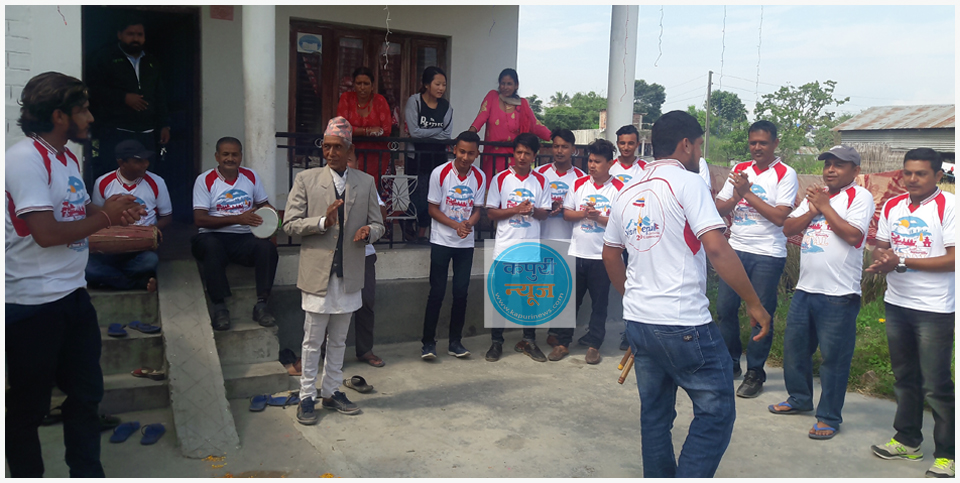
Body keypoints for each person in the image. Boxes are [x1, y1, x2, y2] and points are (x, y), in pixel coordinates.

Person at [601, 110, 770, 478]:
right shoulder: (688, 183)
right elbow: (717, 248)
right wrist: (754, 302)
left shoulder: (627, 189)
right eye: (698, 145)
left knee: (655, 415)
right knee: (716, 410)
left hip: (640, 322)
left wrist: (633, 298)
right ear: (686, 144)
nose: (699, 153)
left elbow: (610, 254)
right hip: (683, 323)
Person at [6, 72, 144, 477]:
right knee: (29, 406)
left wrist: (113, 209)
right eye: (82, 109)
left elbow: (78, 210)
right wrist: (105, 217)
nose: (90, 117)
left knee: (86, 396)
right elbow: (47, 233)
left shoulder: (66, 157)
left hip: (73, 296)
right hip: (31, 305)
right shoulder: (24, 159)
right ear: (59, 115)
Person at [282, 117, 385, 425]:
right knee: (312, 340)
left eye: (337, 147)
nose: (330, 152)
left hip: (349, 273)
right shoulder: (306, 180)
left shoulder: (365, 182)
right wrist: (321, 222)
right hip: (318, 273)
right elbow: (289, 224)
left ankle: (331, 391)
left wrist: (369, 232)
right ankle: (306, 395)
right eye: (326, 146)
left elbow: (378, 223)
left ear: (349, 149)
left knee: (339, 339)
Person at [774, 145, 875, 440]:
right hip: (805, 288)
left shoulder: (860, 196)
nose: (830, 170)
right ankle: (799, 398)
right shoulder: (817, 196)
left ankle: (829, 416)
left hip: (838, 294)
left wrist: (825, 207)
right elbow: (788, 227)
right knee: (795, 350)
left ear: (855, 171)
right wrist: (813, 209)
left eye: (838, 165)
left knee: (834, 359)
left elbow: (854, 236)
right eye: (827, 164)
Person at [866, 148, 955, 478]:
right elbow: (881, 246)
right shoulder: (893, 206)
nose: (912, 179)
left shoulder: (949, 206)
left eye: (921, 173)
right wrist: (881, 259)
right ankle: (907, 440)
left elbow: (954, 259)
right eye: (908, 173)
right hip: (897, 302)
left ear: (938, 176)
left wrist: (901, 261)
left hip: (935, 307)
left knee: (936, 384)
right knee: (905, 378)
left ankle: (948, 455)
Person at [713, 120, 799, 397]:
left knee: (760, 313)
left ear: (775, 143)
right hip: (736, 249)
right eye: (753, 143)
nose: (757, 147)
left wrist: (746, 193)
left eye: (763, 142)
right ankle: (730, 361)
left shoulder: (785, 174)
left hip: (767, 253)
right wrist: (736, 197)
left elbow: (779, 217)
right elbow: (719, 208)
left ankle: (755, 372)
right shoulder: (740, 169)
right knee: (725, 309)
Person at [546, 139, 624, 363]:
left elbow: (621, 222)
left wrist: (598, 218)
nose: (592, 166)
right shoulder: (579, 184)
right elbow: (567, 214)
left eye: (597, 162)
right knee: (570, 301)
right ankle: (562, 343)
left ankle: (594, 346)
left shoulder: (619, 189)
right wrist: (585, 214)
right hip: (577, 253)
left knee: (600, 304)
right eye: (590, 161)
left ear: (610, 164)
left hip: (603, 256)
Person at [191, 137, 279, 331]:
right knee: (211, 247)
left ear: (241, 156)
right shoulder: (204, 180)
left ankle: (262, 305)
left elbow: (263, 204)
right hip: (212, 236)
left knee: (267, 248)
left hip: (243, 237)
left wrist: (270, 216)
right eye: (225, 154)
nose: (230, 158)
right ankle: (220, 307)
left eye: (234, 154)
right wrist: (238, 218)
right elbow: (200, 219)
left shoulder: (250, 176)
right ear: (217, 156)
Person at [484, 132, 552, 363]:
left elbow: (545, 214)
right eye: (519, 152)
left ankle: (529, 341)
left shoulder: (541, 181)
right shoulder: (500, 179)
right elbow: (491, 213)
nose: (522, 157)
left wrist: (532, 210)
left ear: (535, 155)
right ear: (513, 153)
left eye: (527, 153)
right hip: (505, 247)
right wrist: (516, 210)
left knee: (529, 297)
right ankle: (496, 342)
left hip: (530, 249)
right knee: (500, 296)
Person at [420, 131, 486, 360]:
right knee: (437, 292)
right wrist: (456, 225)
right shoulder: (440, 173)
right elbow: (432, 209)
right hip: (441, 241)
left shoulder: (480, 177)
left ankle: (455, 342)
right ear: (454, 150)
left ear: (477, 154)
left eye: (471, 153)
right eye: (462, 152)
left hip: (465, 244)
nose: (465, 157)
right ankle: (428, 343)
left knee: (461, 293)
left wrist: (468, 224)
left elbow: (477, 210)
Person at [88, 15, 170, 179]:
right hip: (116, 131)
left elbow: (160, 95)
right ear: (120, 35)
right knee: (115, 177)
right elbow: (93, 90)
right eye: (130, 34)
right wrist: (123, 97)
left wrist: (164, 125)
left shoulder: (151, 61)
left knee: (147, 177)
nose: (135, 39)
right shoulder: (105, 57)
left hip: (147, 132)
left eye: (139, 35)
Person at [86, 139, 172, 292]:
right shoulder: (103, 182)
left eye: (146, 160)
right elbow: (98, 216)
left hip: (141, 248)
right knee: (88, 267)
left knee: (149, 261)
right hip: (110, 247)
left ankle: (108, 279)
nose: (145, 164)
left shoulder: (157, 182)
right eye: (138, 161)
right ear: (121, 163)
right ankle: (137, 283)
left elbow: (166, 217)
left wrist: (152, 231)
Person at [469, 68, 551, 181]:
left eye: (509, 84)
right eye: (502, 83)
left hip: (514, 157)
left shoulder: (523, 105)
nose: (505, 87)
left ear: (516, 85)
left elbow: (535, 125)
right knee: (491, 186)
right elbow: (481, 117)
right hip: (493, 156)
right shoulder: (492, 97)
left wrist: (555, 138)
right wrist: (468, 135)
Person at [348, 148, 388, 368]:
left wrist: (367, 224)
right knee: (331, 305)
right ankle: (324, 352)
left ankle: (364, 350)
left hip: (364, 253)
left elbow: (380, 214)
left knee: (366, 301)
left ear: (357, 163)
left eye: (350, 160)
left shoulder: (366, 184)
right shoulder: (326, 185)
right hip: (335, 255)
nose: (346, 164)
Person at [404, 66, 453, 244]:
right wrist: (437, 131)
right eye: (437, 84)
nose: (441, 88)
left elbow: (447, 135)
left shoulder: (446, 106)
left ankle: (423, 234)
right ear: (426, 84)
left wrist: (424, 133)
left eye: (443, 85)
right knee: (418, 197)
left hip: (438, 158)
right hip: (416, 158)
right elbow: (414, 132)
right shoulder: (415, 102)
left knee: (436, 197)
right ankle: (410, 224)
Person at [337, 66, 392, 189]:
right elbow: (341, 127)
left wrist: (355, 130)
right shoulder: (346, 98)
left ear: (372, 86)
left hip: (377, 156)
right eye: (359, 83)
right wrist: (368, 131)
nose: (362, 87)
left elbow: (386, 130)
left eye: (366, 84)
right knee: (351, 190)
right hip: (351, 155)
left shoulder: (380, 101)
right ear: (354, 85)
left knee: (374, 192)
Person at [538, 128, 585, 241]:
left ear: (573, 149)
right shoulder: (539, 173)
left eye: (564, 147)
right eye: (556, 146)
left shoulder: (581, 178)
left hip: (569, 239)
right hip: (540, 238)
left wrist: (564, 208)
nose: (559, 151)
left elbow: (582, 210)